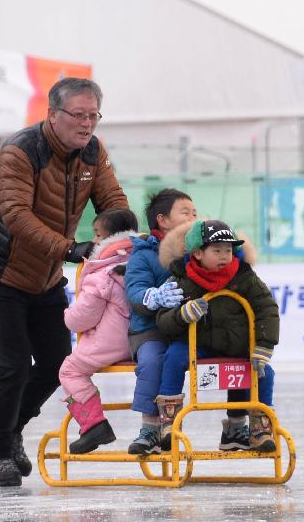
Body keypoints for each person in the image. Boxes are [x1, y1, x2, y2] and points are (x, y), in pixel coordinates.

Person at [0, 77, 128, 487]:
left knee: (57, 363)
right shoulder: (20, 151)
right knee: (14, 364)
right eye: (78, 115)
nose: (87, 124)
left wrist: (125, 242)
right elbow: (16, 216)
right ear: (53, 115)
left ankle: (5, 429)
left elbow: (113, 202)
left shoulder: (93, 151)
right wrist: (70, 249)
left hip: (46, 277)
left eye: (93, 115)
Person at [155, 219, 280, 452]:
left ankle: (257, 429)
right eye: (217, 250)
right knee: (173, 357)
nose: (224, 256)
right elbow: (163, 319)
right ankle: (168, 425)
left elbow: (267, 308)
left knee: (264, 371)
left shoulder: (244, 277)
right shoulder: (181, 279)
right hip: (196, 344)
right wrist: (182, 314)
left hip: (236, 344)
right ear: (198, 253)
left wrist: (264, 345)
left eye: (229, 250)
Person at [59, 208, 139, 454]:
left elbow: (82, 317)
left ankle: (93, 425)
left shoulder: (102, 273)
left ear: (109, 238)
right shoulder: (142, 262)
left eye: (97, 234)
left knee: (70, 370)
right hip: (141, 338)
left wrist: (66, 316)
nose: (93, 241)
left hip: (111, 342)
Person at [124, 188, 197, 455]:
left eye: (195, 213)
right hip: (150, 331)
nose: (192, 217)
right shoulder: (144, 255)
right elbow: (134, 292)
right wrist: (154, 297)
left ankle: (237, 423)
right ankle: (150, 427)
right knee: (154, 359)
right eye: (185, 212)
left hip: (186, 329)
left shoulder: (198, 251)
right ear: (162, 220)